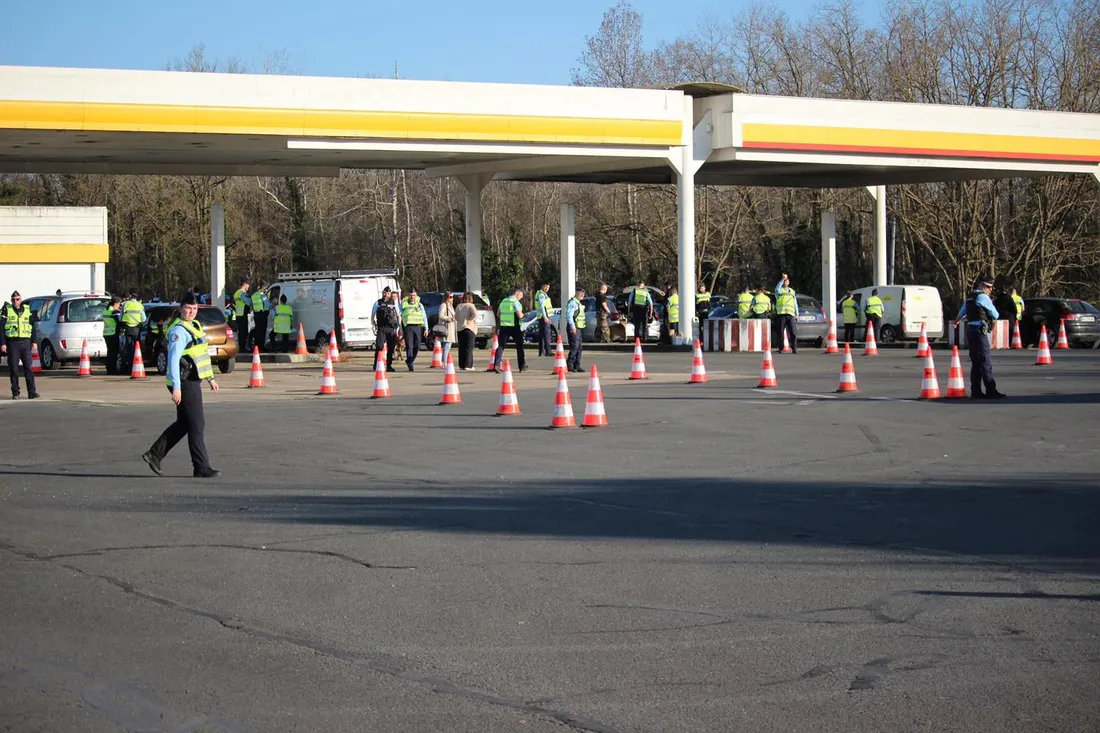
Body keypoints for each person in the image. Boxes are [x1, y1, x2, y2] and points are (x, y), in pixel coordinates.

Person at [141, 294, 220, 478]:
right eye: (188, 308)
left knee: (185, 423)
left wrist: (210, 378)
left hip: (191, 378)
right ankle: (201, 467)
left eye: (194, 309)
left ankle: (154, 454)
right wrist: (176, 387)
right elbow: (174, 359)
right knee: (197, 424)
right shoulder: (179, 331)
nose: (191, 312)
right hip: (184, 381)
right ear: (181, 308)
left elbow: (199, 355)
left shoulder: (194, 327)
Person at [956, 277, 1006, 399]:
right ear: (982, 286)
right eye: (989, 287)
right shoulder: (984, 297)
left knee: (976, 362)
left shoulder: (969, 298)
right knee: (985, 361)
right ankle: (991, 391)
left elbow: (961, 313)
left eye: (991, 287)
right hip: (979, 332)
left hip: (971, 332)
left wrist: (957, 321)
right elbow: (995, 314)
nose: (990, 290)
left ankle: (976, 391)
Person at [1, 291, 40, 399]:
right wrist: (3, 343)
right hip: (13, 343)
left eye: (17, 299)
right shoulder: (7, 310)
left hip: (26, 343)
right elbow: (1, 328)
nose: (15, 301)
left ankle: (32, 392)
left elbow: (33, 327)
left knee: (28, 368)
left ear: (20, 299)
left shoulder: (27, 310)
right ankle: (15, 392)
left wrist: (34, 342)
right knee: (14, 368)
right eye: (13, 299)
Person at [493, 288, 527, 372]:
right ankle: (522, 366)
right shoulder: (515, 302)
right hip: (514, 327)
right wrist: (526, 315)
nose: (521, 297)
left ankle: (496, 365)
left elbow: (498, 314)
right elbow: (520, 315)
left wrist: (505, 320)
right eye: (521, 295)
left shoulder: (504, 301)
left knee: (501, 346)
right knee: (519, 347)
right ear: (517, 293)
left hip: (504, 327)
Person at [372, 286, 401, 371]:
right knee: (379, 346)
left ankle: (389, 366)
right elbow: (372, 315)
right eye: (385, 293)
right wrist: (373, 324)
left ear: (390, 294)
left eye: (388, 293)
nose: (386, 295)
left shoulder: (394, 302)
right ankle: (376, 364)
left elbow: (398, 315)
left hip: (391, 328)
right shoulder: (378, 302)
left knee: (391, 348)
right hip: (382, 328)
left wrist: (399, 328)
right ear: (383, 293)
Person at [400, 288, 428, 371]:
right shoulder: (404, 304)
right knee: (409, 346)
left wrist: (426, 328)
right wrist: (400, 329)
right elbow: (399, 315)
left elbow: (424, 317)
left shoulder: (419, 305)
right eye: (411, 295)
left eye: (414, 295)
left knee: (417, 345)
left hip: (417, 327)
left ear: (416, 295)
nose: (412, 297)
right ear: (408, 295)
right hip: (408, 327)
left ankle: (410, 360)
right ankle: (410, 364)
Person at [119, 292, 146, 368]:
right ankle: (137, 365)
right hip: (137, 329)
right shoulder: (140, 306)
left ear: (130, 297)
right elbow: (144, 319)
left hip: (127, 328)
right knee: (136, 348)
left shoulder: (125, 304)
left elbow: (120, 318)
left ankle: (130, 365)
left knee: (129, 348)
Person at [455, 292, 479, 371]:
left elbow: (456, 317)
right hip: (469, 328)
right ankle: (468, 365)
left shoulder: (459, 306)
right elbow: (475, 314)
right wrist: (470, 320)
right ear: (470, 298)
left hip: (460, 328)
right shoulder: (471, 305)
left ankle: (461, 365)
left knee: (461, 347)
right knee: (469, 347)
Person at [774, 279, 799, 353]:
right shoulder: (780, 291)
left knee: (793, 332)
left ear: (789, 283)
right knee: (780, 332)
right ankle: (780, 348)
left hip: (790, 314)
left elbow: (795, 303)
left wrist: (797, 314)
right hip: (782, 314)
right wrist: (782, 279)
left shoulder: (792, 291)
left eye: (787, 281)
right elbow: (776, 289)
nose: (785, 283)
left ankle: (794, 348)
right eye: (784, 281)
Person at [566, 286, 586, 372]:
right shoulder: (573, 303)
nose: (582, 294)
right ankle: (570, 365)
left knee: (579, 347)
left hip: (579, 327)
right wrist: (572, 327)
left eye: (583, 293)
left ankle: (577, 365)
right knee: (574, 347)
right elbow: (569, 316)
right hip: (574, 327)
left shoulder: (578, 303)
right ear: (576, 293)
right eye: (580, 293)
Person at [435, 291, 457, 364]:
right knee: (446, 346)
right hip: (446, 327)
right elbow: (441, 315)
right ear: (446, 297)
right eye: (450, 297)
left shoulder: (451, 306)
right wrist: (449, 318)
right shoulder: (444, 305)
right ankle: (444, 363)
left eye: (453, 297)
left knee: (448, 346)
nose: (452, 299)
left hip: (451, 328)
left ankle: (444, 361)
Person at [102, 296, 122, 375]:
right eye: (119, 304)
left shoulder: (106, 310)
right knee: (114, 353)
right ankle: (113, 370)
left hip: (106, 333)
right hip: (113, 333)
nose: (119, 305)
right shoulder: (114, 311)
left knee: (110, 352)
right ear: (115, 303)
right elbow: (119, 321)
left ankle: (109, 368)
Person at [250, 282, 271, 352]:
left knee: (257, 331)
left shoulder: (254, 295)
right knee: (262, 331)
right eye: (266, 288)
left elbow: (252, 305)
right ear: (264, 287)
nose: (266, 290)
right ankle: (261, 347)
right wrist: (273, 305)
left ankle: (256, 347)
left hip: (256, 314)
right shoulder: (262, 295)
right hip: (262, 315)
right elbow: (268, 305)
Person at [535, 283, 553, 357]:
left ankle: (542, 352)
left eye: (548, 287)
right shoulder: (541, 295)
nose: (547, 288)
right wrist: (545, 317)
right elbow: (542, 307)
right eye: (545, 287)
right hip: (543, 317)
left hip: (543, 317)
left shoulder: (541, 294)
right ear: (542, 286)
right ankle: (548, 351)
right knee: (546, 335)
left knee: (542, 335)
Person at [232, 279, 251, 352]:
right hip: (243, 314)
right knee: (244, 332)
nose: (248, 287)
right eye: (248, 286)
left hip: (238, 314)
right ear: (245, 284)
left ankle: (241, 347)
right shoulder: (242, 293)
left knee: (241, 333)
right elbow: (248, 302)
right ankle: (243, 348)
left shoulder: (236, 293)